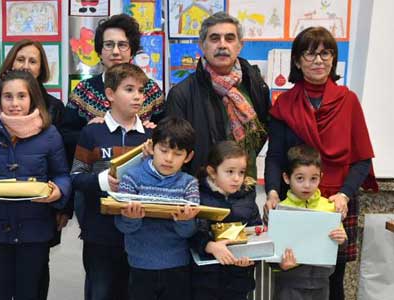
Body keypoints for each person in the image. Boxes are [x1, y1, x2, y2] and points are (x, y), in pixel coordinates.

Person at [263, 26, 377, 300]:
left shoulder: (348, 101)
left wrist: (344, 194)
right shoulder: (284, 104)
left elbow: (362, 160)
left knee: (333, 280)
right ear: (298, 61)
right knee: (289, 274)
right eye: (310, 53)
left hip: (337, 203)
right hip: (295, 205)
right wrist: (272, 192)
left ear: (333, 60)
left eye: (326, 53)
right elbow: (276, 156)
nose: (318, 60)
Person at [0, 70, 71, 300]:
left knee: (30, 293)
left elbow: (62, 175)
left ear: (32, 98)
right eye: (8, 97)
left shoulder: (49, 134)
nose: (14, 103)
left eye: (21, 96)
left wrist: (58, 191)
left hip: (35, 231)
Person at [70, 63, 153, 300]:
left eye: (141, 90)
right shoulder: (92, 133)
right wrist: (103, 181)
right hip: (100, 233)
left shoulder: (150, 135)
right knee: (101, 291)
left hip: (140, 232)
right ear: (110, 94)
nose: (138, 96)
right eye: (129, 89)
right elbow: (75, 177)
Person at [163, 12, 271, 179]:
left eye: (229, 38)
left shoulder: (255, 84)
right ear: (202, 45)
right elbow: (174, 149)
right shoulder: (181, 94)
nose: (222, 45)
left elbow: (262, 133)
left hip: (244, 185)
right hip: (200, 188)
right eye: (214, 38)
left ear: (240, 45)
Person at [114, 117, 200, 300]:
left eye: (177, 154)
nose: (169, 159)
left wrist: (186, 222)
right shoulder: (131, 177)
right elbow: (122, 226)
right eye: (164, 150)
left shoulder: (189, 184)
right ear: (152, 147)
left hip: (177, 265)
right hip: (140, 265)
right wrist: (132, 218)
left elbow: (189, 231)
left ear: (189, 157)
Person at [60, 13, 164, 164]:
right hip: (96, 175)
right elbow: (65, 135)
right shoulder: (84, 90)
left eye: (122, 45)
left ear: (131, 51)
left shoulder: (150, 89)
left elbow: (168, 135)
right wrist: (88, 133)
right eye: (108, 45)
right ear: (100, 52)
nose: (115, 51)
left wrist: (155, 130)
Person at [273, 145, 347, 300]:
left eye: (313, 179)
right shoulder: (280, 210)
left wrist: (342, 240)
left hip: (321, 284)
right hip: (289, 285)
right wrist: (280, 265)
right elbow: (271, 251)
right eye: (300, 178)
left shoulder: (329, 207)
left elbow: (340, 247)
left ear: (321, 177)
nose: (307, 185)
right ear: (287, 178)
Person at [190, 140, 262, 300]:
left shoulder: (248, 198)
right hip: (206, 281)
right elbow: (193, 231)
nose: (237, 178)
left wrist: (251, 259)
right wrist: (210, 246)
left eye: (241, 172)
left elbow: (256, 231)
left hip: (239, 280)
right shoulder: (198, 195)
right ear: (212, 172)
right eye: (230, 171)